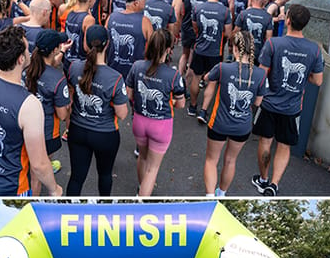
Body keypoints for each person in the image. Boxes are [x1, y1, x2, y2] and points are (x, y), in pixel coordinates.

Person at [0, 25, 63, 197]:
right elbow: (38, 163)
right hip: (11, 190)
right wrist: (54, 189)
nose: (30, 53)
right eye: (27, 50)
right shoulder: (29, 104)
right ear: (20, 59)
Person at [252, 4, 324, 196]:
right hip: (292, 108)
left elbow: (261, 74)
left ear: (288, 21)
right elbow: (317, 81)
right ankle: (274, 184)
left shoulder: (273, 44)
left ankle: (263, 179)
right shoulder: (314, 50)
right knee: (284, 146)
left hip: (269, 103)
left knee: (265, 142)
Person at [200, 31, 268, 196]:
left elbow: (207, 78)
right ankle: (222, 194)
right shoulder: (260, 74)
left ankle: (209, 196)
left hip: (219, 123)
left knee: (211, 160)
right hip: (242, 126)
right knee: (230, 160)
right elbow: (258, 102)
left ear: (235, 49)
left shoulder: (223, 68)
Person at [66, 24, 129, 196]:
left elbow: (71, 95)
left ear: (85, 45)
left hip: (77, 131)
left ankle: (69, 213)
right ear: (107, 44)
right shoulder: (115, 78)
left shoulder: (74, 68)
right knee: (105, 175)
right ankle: (104, 211)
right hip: (105, 134)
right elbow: (122, 114)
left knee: (76, 178)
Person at [126, 29, 186, 196]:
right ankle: (143, 199)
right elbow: (180, 104)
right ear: (168, 50)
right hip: (161, 125)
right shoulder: (173, 75)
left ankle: (141, 186)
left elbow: (129, 94)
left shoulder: (137, 66)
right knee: (153, 169)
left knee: (142, 158)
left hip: (139, 121)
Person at [25, 29, 70, 181]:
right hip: (47, 130)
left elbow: (49, 64)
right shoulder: (58, 78)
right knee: (39, 169)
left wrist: (62, 51)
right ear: (54, 50)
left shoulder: (28, 64)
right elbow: (62, 115)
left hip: (26, 124)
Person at [188, 0, 232, 119]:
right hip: (215, 52)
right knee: (212, 81)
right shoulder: (225, 11)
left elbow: (194, 26)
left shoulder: (197, 8)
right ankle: (203, 111)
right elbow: (228, 33)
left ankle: (193, 106)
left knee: (196, 77)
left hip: (199, 49)